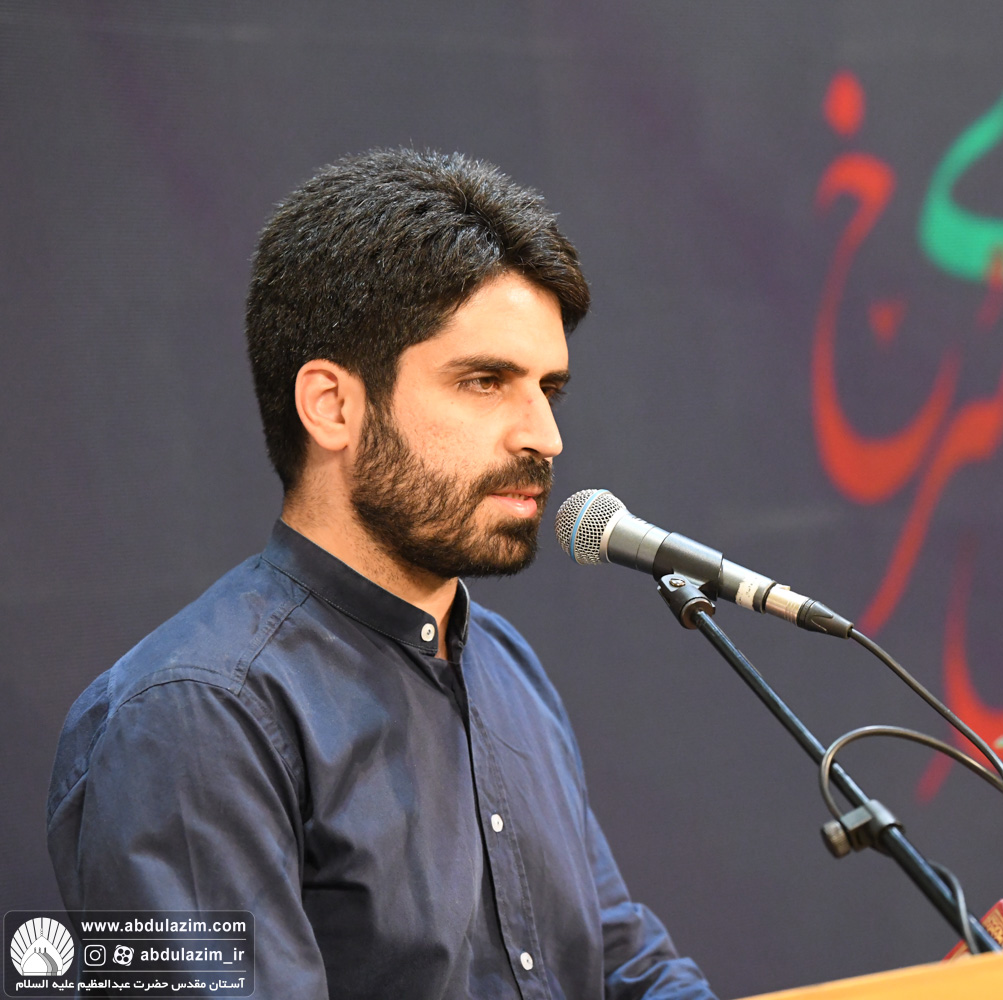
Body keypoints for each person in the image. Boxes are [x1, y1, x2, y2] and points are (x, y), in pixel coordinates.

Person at [46, 149, 716, 1000]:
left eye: (549, 389)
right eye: (485, 381)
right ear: (332, 405)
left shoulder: (504, 664)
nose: (545, 437)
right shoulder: (190, 717)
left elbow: (623, 964)